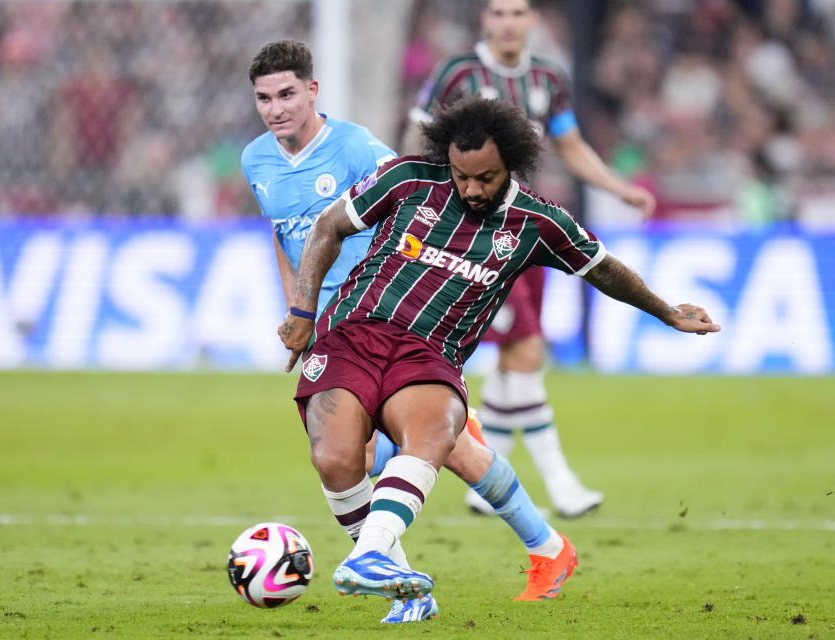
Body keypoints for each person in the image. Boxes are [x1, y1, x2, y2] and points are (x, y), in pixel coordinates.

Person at [278, 94, 719, 605]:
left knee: (432, 434)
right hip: (354, 334)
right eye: (461, 175)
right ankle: (410, 576)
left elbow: (602, 268)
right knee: (336, 460)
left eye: (484, 177)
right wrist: (303, 309)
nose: (471, 188)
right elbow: (328, 226)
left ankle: (376, 557)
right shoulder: (408, 179)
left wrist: (666, 311)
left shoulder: (538, 222)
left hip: (429, 354)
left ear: (511, 162)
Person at [243, 41, 579, 623]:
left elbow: (410, 205)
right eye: (265, 98)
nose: (277, 109)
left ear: (312, 91)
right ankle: (539, 549)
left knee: (391, 453)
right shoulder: (255, 161)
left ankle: (513, 557)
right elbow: (284, 235)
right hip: (327, 325)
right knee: (404, 453)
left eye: (288, 94)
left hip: (387, 319)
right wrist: (298, 308)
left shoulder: (357, 148)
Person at [403, 0, 658, 519]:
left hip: (524, 230)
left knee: (517, 358)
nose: (507, 22)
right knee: (525, 349)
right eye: (498, 13)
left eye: (517, 12)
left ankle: (483, 483)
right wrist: (407, 197)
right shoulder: (458, 73)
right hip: (473, 232)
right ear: (485, 21)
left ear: (533, 21)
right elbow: (420, 136)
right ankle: (560, 482)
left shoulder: (549, 77)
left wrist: (617, 187)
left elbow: (570, 144)